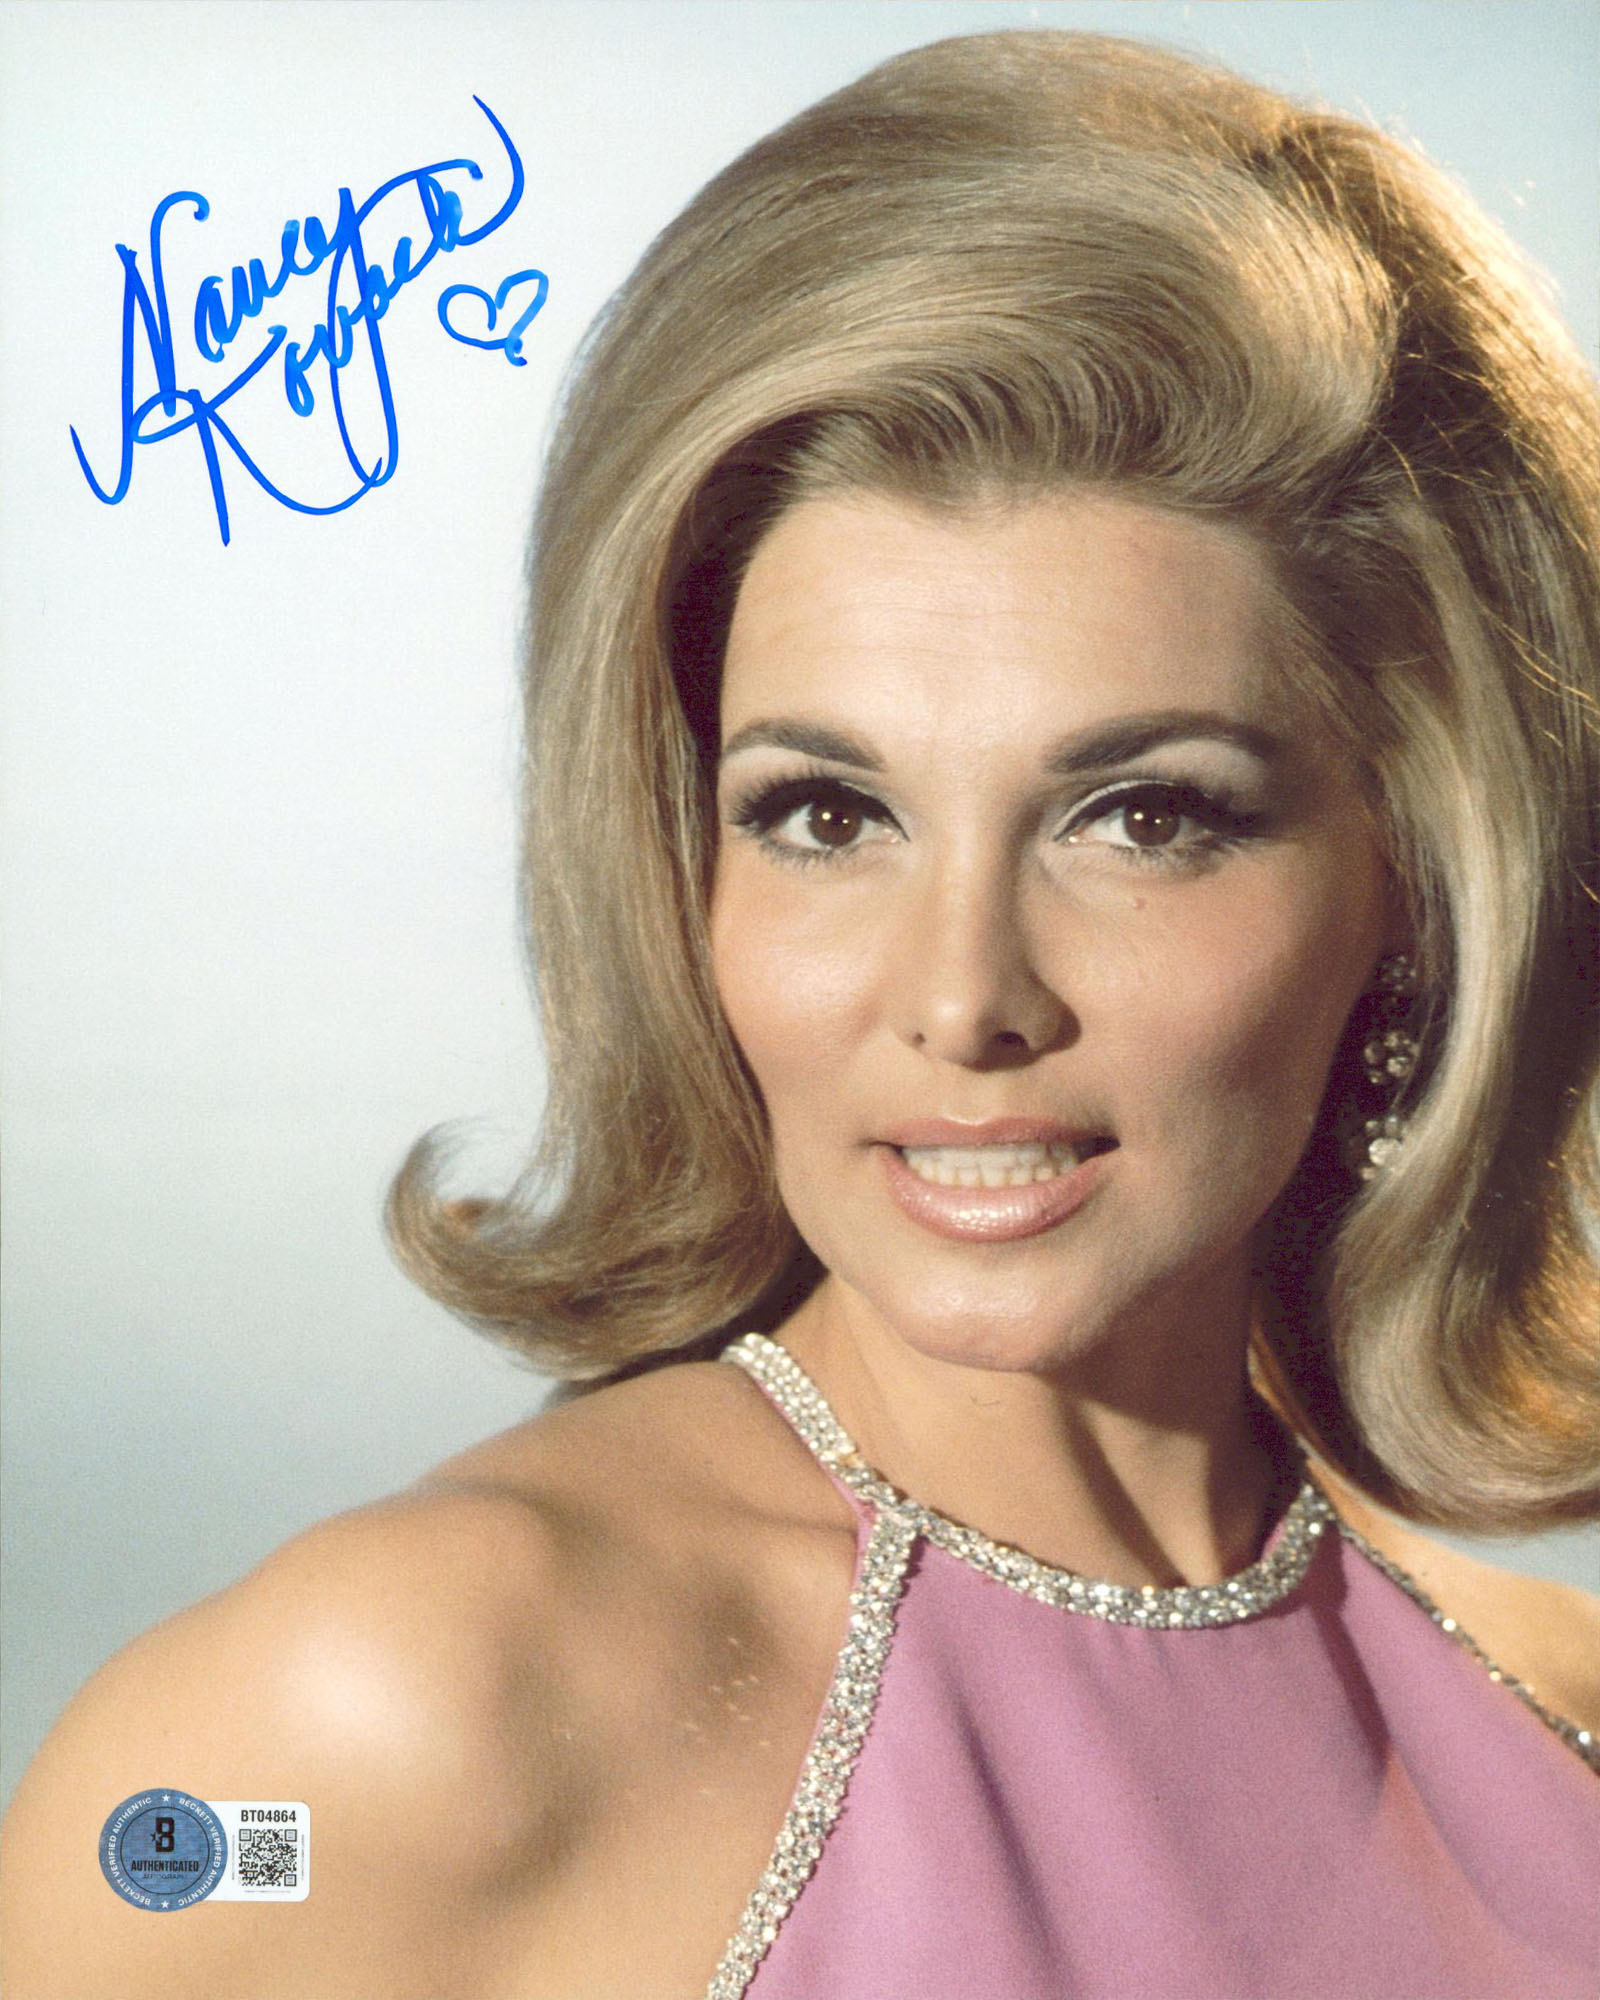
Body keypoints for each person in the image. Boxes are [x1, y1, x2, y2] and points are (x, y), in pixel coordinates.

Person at [3, 28, 1596, 2000]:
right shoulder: (390, 1726)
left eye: (1140, 815)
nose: (961, 996)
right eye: (826, 815)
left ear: (1418, 882)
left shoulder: (1562, 1725)